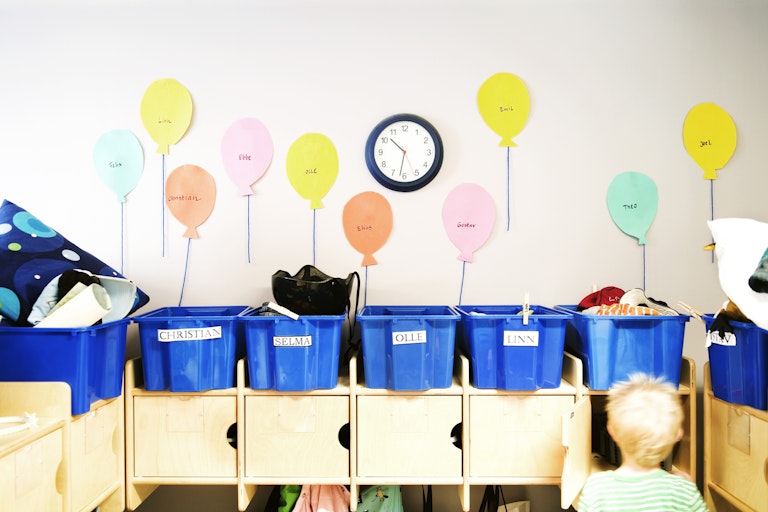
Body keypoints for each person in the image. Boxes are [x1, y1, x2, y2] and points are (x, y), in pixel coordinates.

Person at [577, 373, 709, 511]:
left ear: (612, 431)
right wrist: (684, 487)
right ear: (677, 435)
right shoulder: (683, 491)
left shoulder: (596, 489)